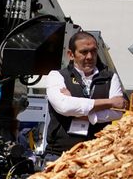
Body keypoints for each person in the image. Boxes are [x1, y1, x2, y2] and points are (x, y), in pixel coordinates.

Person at [43, 31, 126, 163]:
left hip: (98, 155)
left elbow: (118, 113)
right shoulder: (57, 76)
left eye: (93, 51)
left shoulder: (110, 78)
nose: (90, 56)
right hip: (60, 155)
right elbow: (64, 106)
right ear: (71, 54)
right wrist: (109, 102)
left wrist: (77, 111)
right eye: (84, 52)